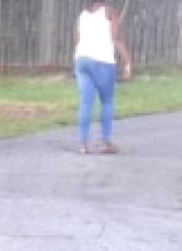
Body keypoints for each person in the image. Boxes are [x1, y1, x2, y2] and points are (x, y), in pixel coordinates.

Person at [74, 1, 133, 154]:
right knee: (107, 102)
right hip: (103, 61)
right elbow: (116, 39)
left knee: (86, 103)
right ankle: (105, 143)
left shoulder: (82, 15)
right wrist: (127, 63)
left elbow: (78, 40)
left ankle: (83, 144)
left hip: (82, 60)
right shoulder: (110, 12)